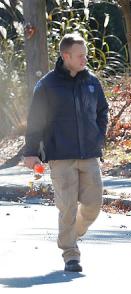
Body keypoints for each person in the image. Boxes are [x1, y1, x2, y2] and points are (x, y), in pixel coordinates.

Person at [23, 33, 109, 272]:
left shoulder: (91, 81)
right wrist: (31, 152)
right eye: (80, 56)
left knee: (93, 205)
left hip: (89, 154)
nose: (85, 59)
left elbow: (103, 111)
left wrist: (99, 137)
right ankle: (71, 253)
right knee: (67, 206)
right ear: (66, 56)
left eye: (86, 55)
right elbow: (35, 121)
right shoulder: (47, 85)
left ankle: (72, 233)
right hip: (61, 156)